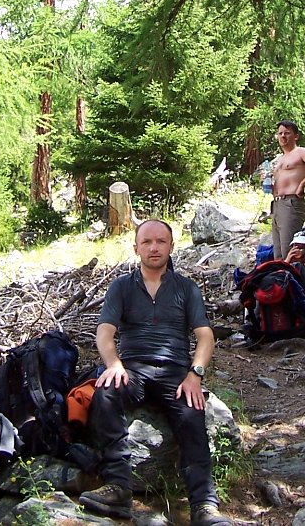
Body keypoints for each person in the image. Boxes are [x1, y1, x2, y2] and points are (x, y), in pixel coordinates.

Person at [79, 219, 232, 526]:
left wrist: (195, 374)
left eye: (161, 241)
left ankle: (204, 505)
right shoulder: (121, 287)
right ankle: (119, 487)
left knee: (192, 412)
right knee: (105, 394)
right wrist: (114, 364)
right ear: (136, 247)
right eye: (147, 242)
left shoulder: (186, 288)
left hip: (175, 371)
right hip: (132, 368)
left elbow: (205, 336)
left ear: (171, 247)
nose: (154, 247)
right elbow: (105, 333)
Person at [269, 120, 305, 260]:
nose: (283, 136)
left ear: (295, 136)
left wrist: (302, 184)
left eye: (287, 133)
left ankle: (295, 278)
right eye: (280, 133)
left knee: (289, 249)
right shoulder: (280, 159)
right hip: (277, 205)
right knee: (278, 253)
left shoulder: (300, 152)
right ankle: (281, 279)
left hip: (291, 203)